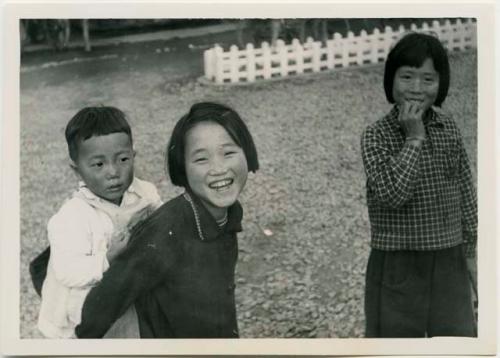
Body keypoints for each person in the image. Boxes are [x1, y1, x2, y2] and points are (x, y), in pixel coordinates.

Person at [74, 102, 259, 338]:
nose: (218, 169)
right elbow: (102, 304)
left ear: (247, 153)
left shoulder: (228, 215)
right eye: (201, 159)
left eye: (228, 153)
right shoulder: (165, 231)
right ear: (182, 166)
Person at [361, 32, 477, 337]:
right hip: (398, 264)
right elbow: (392, 195)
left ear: (441, 84)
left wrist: (473, 252)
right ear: (391, 81)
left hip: (449, 260)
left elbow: (466, 189)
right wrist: (413, 138)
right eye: (407, 77)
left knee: (456, 344)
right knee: (396, 347)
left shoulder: (448, 126)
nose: (416, 88)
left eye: (428, 79)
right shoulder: (376, 136)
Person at [37, 106, 162, 338]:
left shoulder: (145, 193)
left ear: (134, 156)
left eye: (123, 159)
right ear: (77, 170)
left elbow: (164, 224)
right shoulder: (71, 217)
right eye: (98, 164)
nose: (113, 172)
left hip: (124, 298)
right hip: (80, 313)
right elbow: (68, 272)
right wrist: (107, 258)